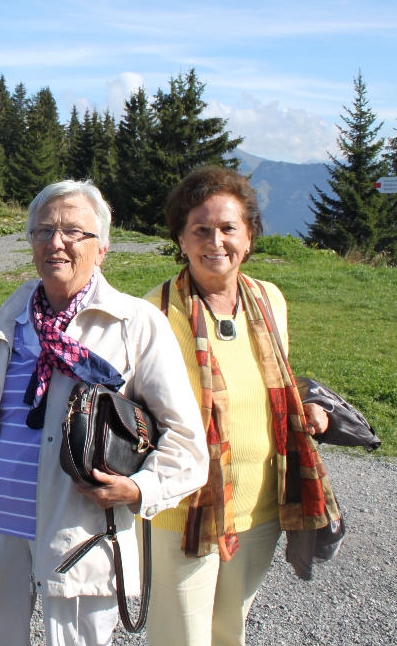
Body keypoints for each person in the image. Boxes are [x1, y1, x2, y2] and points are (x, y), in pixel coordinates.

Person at [0, 180, 208, 646]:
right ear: (31, 242)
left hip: (81, 538)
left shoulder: (136, 325)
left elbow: (186, 441)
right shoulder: (4, 322)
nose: (56, 242)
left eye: (74, 232)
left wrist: (139, 488)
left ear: (102, 248)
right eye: (44, 230)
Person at [143, 166, 339, 646]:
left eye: (228, 228)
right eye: (200, 229)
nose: (216, 242)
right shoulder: (154, 311)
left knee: (231, 632)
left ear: (249, 238)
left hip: (259, 506)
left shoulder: (269, 299)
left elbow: (276, 380)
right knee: (180, 638)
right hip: (184, 509)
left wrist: (307, 406)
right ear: (181, 239)